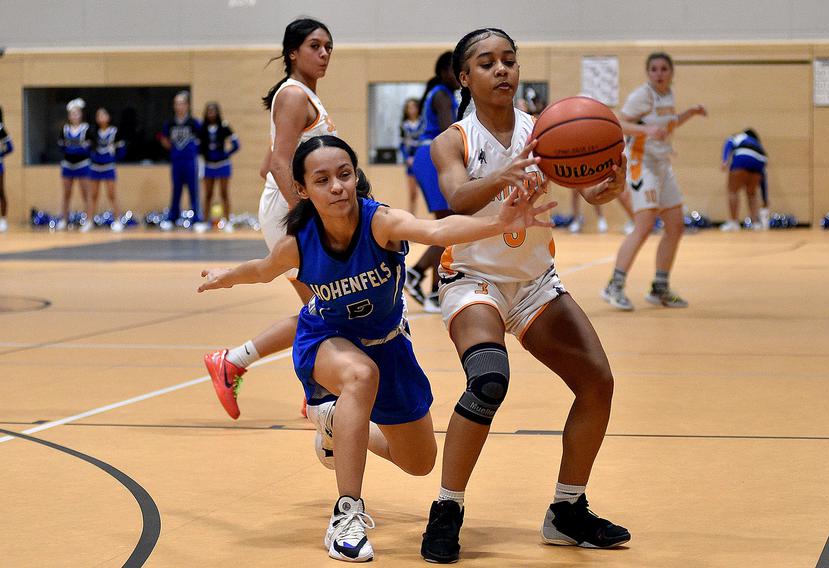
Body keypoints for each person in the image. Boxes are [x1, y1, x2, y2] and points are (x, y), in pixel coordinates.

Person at [198, 135, 554, 562]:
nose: (337, 187)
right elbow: (262, 270)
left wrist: (500, 224)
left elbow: (437, 229)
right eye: (323, 179)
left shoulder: (379, 222)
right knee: (360, 375)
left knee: (419, 461)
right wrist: (226, 275)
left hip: (389, 344)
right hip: (325, 339)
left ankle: (333, 421)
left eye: (345, 175)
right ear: (302, 190)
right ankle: (346, 515)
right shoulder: (299, 242)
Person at [419, 28, 631, 563]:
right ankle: (447, 508)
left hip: (535, 282)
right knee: (489, 379)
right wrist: (502, 177)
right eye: (486, 63)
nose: (502, 70)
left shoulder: (547, 131)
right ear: (464, 78)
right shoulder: (453, 140)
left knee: (598, 382)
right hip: (474, 279)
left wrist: (609, 178)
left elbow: (589, 187)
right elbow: (455, 198)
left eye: (509, 61)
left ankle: (566, 510)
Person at [205, 18, 336, 420]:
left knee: (327, 308)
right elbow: (280, 163)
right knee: (330, 307)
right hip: (291, 213)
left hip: (285, 207)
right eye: (315, 45)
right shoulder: (295, 95)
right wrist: (305, 212)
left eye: (329, 46)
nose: (325, 53)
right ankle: (238, 363)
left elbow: (269, 162)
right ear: (293, 52)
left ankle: (309, 385)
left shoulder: (298, 97)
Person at [602, 52, 707, 311]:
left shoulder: (667, 95)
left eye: (663, 69)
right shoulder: (643, 95)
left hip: (662, 164)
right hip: (642, 163)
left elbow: (667, 126)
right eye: (654, 69)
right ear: (648, 73)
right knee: (644, 225)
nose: (659, 73)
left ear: (671, 72)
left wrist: (690, 113)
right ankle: (614, 286)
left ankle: (660, 287)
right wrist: (645, 131)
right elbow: (617, 122)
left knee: (676, 225)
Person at [403, 51, 460, 314]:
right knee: (447, 226)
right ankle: (419, 276)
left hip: (432, 156)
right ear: (442, 72)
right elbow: (452, 129)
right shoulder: (440, 94)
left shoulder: (443, 93)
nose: (457, 74)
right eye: (453, 69)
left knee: (447, 226)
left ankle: (432, 288)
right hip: (433, 156)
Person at [158, 91, 203, 232]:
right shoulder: (170, 123)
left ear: (187, 105)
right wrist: (171, 147)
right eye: (177, 104)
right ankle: (173, 218)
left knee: (193, 189)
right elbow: (164, 138)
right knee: (176, 189)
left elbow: (201, 139)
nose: (179, 106)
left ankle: (196, 219)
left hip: (190, 161)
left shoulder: (193, 123)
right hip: (176, 161)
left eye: (182, 103)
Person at [201, 101, 240, 232]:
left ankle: (228, 221)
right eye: (209, 111)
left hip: (223, 164)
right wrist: (204, 154)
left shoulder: (224, 126)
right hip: (208, 164)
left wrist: (226, 154)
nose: (211, 113)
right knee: (208, 194)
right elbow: (197, 146)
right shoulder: (202, 128)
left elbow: (236, 144)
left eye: (213, 111)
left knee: (224, 193)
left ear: (218, 112)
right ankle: (205, 221)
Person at [720, 128, 768, 231]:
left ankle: (733, 223)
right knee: (752, 194)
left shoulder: (740, 136)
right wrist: (765, 199)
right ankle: (756, 224)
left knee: (733, 191)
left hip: (742, 158)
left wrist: (725, 160)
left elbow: (729, 142)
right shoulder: (758, 144)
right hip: (760, 161)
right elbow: (764, 179)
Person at [89, 107, 126, 232]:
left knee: (112, 194)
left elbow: (122, 149)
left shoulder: (114, 131)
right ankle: (89, 221)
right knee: (93, 195)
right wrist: (93, 157)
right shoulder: (93, 132)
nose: (101, 118)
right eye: (98, 115)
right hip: (95, 167)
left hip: (108, 166)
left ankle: (117, 220)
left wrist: (114, 158)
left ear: (109, 117)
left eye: (103, 115)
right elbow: (88, 148)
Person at [58, 98, 93, 231]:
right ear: (69, 116)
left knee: (85, 193)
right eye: (72, 113)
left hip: (82, 165)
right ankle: (64, 219)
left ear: (81, 115)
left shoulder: (86, 129)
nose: (74, 116)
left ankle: (89, 220)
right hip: (68, 164)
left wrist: (75, 149)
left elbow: (89, 147)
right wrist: (75, 148)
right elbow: (61, 146)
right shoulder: (65, 129)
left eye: (77, 113)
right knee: (66, 193)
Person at [399, 98, 422, 215]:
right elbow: (402, 145)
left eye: (414, 107)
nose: (412, 110)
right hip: (410, 162)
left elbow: (424, 141)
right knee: (412, 194)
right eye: (409, 107)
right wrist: (407, 157)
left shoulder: (423, 123)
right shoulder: (404, 125)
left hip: (422, 159)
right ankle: (412, 216)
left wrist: (419, 157)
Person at [0, 106, 13, 233]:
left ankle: (3, 219)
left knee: (1, 191)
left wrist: (1, 154)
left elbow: (10, 147)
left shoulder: (0, 128)